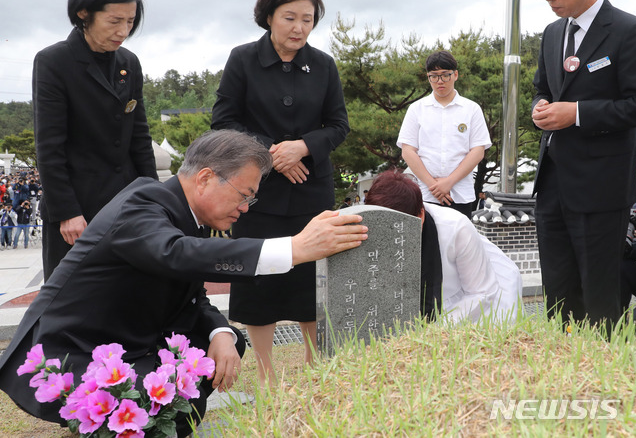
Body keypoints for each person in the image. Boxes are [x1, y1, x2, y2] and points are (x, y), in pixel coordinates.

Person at [0, 130, 367, 437]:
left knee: (227, 341)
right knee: (168, 403)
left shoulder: (186, 213)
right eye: (244, 195)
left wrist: (220, 333)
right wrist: (295, 248)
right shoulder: (142, 203)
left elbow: (192, 294)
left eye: (252, 198)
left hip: (127, 337)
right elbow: (175, 254)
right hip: (73, 347)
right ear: (206, 177)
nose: (247, 207)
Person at [211, 0, 349, 385]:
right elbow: (225, 121)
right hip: (257, 194)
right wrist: (275, 152)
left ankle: (314, 366)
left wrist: (302, 147)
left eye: (307, 19)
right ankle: (267, 373)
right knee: (260, 284)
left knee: (312, 284)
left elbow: (338, 125)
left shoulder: (323, 65)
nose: (299, 28)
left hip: (312, 191)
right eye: (290, 17)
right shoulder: (242, 59)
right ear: (269, 16)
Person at [529, 0, 636, 328]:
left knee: (599, 296)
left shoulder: (628, 30)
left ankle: (601, 378)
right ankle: (561, 373)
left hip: (602, 187)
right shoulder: (552, 33)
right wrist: (540, 108)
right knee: (558, 294)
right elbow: (543, 90)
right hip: (552, 184)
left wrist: (576, 114)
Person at [33, 0, 157, 281]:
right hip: (78, 212)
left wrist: (156, 199)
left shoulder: (129, 63)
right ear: (84, 13)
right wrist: (67, 212)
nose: (123, 30)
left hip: (126, 204)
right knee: (72, 301)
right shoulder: (53, 62)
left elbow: (139, 139)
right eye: (114, 21)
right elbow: (49, 145)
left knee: (128, 296)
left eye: (130, 21)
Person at [365, 170, 521, 323]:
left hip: (472, 291)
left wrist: (438, 329)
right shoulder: (363, 223)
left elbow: (481, 292)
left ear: (421, 214)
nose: (391, 239)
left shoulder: (456, 227)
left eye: (399, 230)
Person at [397, 50, 492, 218]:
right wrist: (433, 185)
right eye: (434, 76)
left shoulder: (471, 109)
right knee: (428, 243)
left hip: (461, 194)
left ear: (455, 75)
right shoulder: (416, 109)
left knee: (460, 243)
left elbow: (477, 151)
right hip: (425, 195)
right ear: (428, 77)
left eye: (445, 75)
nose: (439, 81)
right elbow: (408, 150)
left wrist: (448, 182)